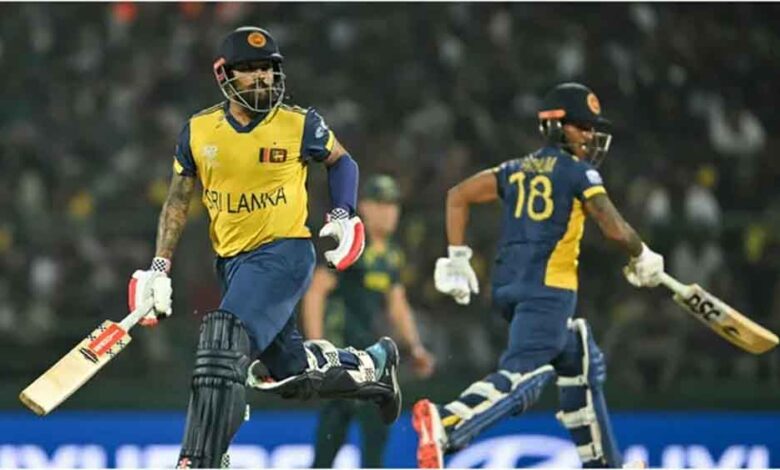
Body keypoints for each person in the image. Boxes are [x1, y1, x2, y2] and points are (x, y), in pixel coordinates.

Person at [126, 26, 402, 468]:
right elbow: (178, 200)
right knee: (286, 373)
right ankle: (373, 366)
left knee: (222, 339)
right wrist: (159, 267)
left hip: (284, 254)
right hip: (233, 264)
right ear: (224, 74)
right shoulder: (198, 131)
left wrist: (343, 213)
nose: (262, 78)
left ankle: (201, 458)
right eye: (250, 69)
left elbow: (341, 161)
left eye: (268, 69)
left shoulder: (298, 123)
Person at [412, 82, 664, 468]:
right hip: (548, 292)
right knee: (523, 378)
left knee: (579, 356)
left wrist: (457, 256)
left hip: (510, 289)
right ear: (556, 126)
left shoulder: (514, 169)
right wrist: (641, 253)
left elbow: (457, 195)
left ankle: (605, 464)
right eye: (582, 126)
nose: (590, 135)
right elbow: (613, 227)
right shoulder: (579, 173)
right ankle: (446, 422)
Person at [301, 175, 436, 468]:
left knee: (375, 442)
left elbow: (397, 303)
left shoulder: (391, 254)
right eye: (381, 204)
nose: (389, 212)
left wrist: (415, 347)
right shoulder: (349, 243)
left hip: (370, 360)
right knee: (330, 441)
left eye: (393, 205)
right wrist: (315, 346)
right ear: (364, 206)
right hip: (339, 357)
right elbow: (315, 292)